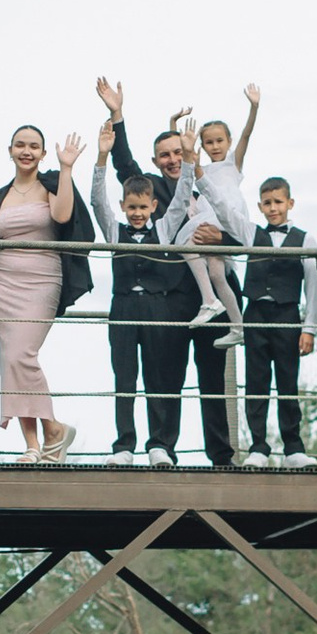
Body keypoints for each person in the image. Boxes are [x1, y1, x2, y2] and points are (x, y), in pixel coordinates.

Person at [95, 79, 235, 468]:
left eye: (178, 152)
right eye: (165, 155)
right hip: (164, 301)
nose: (172, 159)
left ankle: (220, 457)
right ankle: (148, 445)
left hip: (208, 299)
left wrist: (221, 236)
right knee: (157, 378)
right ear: (156, 162)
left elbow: (240, 231)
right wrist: (117, 115)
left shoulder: (212, 185)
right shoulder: (152, 192)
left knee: (211, 380)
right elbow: (123, 168)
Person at [0, 122, 94, 457]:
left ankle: (53, 430)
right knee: (11, 361)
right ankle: (34, 444)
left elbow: (63, 217)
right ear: (10, 150)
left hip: (43, 281)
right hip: (1, 284)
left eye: (33, 146)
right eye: (20, 145)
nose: (26, 151)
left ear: (43, 153)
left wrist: (66, 169)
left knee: (22, 355)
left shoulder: (50, 187)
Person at [89, 111, 200, 463]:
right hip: (122, 308)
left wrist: (189, 156)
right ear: (123, 207)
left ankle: (161, 445)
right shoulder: (114, 230)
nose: (137, 214)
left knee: (161, 376)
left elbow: (183, 197)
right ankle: (124, 445)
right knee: (124, 376)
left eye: (142, 208)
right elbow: (96, 201)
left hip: (158, 307)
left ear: (153, 206)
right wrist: (102, 158)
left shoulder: (164, 229)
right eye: (131, 208)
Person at [167, 90, 261, 336]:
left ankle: (209, 299)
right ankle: (237, 326)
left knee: (186, 242)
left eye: (220, 141)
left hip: (226, 212)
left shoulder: (233, 164)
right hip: (209, 214)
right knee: (217, 273)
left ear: (228, 141)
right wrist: (173, 124)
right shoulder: (202, 168)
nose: (215, 146)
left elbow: (247, 134)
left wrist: (254, 107)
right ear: (203, 145)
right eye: (209, 142)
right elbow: (181, 153)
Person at [242, 174, 317, 462]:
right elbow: (225, 209)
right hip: (256, 314)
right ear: (260, 206)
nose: (273, 208)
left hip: (287, 315)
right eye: (267, 203)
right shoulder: (251, 234)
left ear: (290, 203)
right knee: (256, 381)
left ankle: (294, 448)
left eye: (278, 202)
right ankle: (258, 447)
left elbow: (312, 287)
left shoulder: (305, 238)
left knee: (288, 381)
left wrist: (309, 328)